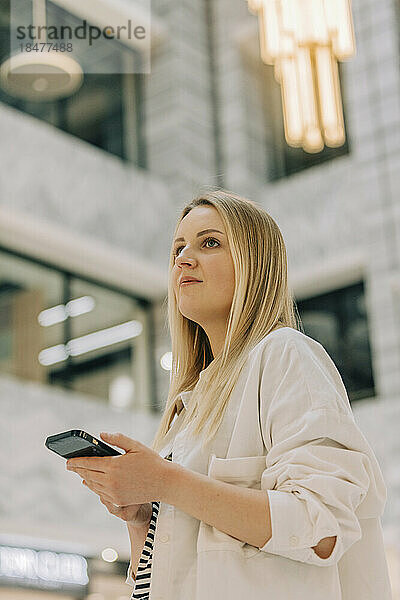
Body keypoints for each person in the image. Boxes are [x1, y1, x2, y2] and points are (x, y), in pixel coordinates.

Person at [66, 189, 393, 600]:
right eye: (178, 248)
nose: (183, 259)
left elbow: (322, 527)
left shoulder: (284, 355)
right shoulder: (187, 408)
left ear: (253, 265)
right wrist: (142, 519)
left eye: (210, 243)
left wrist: (165, 483)